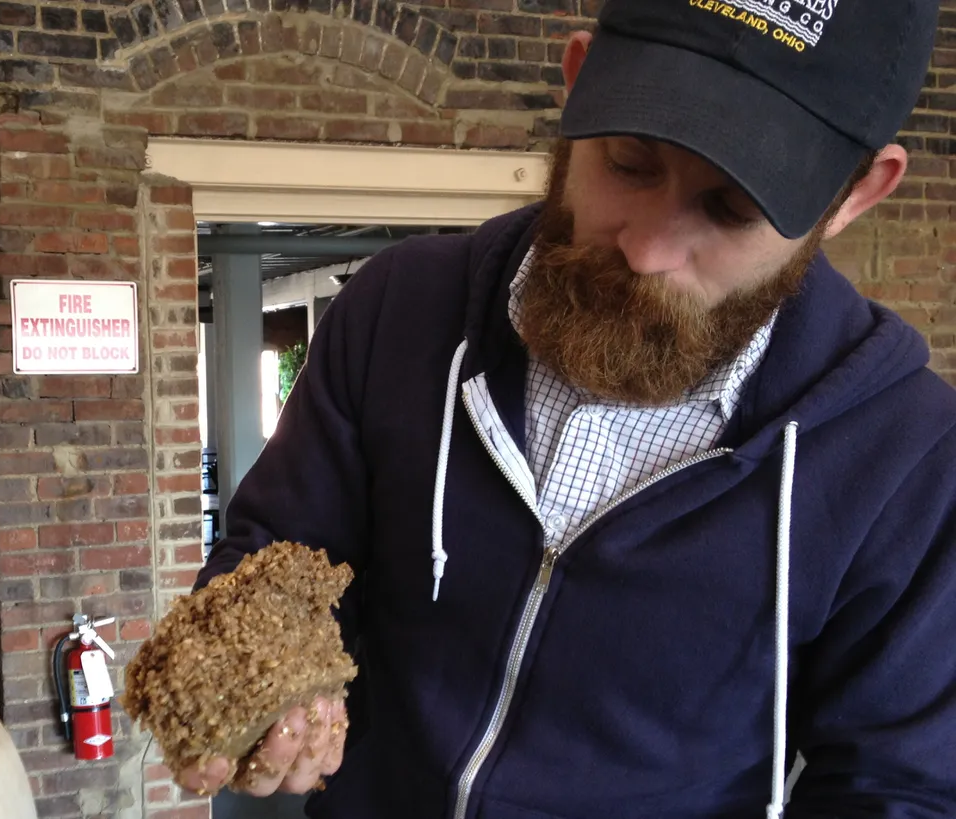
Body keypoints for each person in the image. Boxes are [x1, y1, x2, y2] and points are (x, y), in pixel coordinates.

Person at [171, 0, 956, 816]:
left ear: (857, 193)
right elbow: (276, 558)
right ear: (579, 83)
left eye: (730, 208)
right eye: (628, 162)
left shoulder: (910, 461)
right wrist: (260, 675)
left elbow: (899, 790)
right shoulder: (396, 310)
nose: (646, 249)